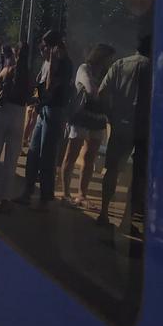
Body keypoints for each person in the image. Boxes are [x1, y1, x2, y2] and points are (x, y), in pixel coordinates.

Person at [95, 35, 153, 227]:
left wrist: (111, 115)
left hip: (121, 125)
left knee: (112, 170)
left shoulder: (119, 65)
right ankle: (126, 219)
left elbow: (101, 93)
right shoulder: (153, 68)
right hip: (145, 128)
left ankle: (104, 212)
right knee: (138, 176)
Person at [20, 30, 74, 209]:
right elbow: (41, 85)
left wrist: (51, 64)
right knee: (34, 151)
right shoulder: (48, 62)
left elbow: (53, 87)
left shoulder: (63, 63)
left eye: (45, 46)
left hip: (54, 110)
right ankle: (27, 192)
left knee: (47, 155)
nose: (43, 50)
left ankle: (45, 197)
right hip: (45, 109)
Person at [60, 43, 115, 206]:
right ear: (101, 56)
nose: (110, 61)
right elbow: (92, 91)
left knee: (90, 157)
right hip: (81, 117)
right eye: (108, 58)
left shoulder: (106, 72)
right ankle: (65, 193)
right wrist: (104, 92)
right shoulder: (85, 68)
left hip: (98, 119)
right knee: (72, 154)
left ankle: (82, 194)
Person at [0, 43, 29, 212]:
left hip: (3, 113)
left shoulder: (6, 71)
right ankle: (5, 200)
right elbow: (36, 96)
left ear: (15, 54)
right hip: (18, 117)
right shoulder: (29, 76)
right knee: (11, 162)